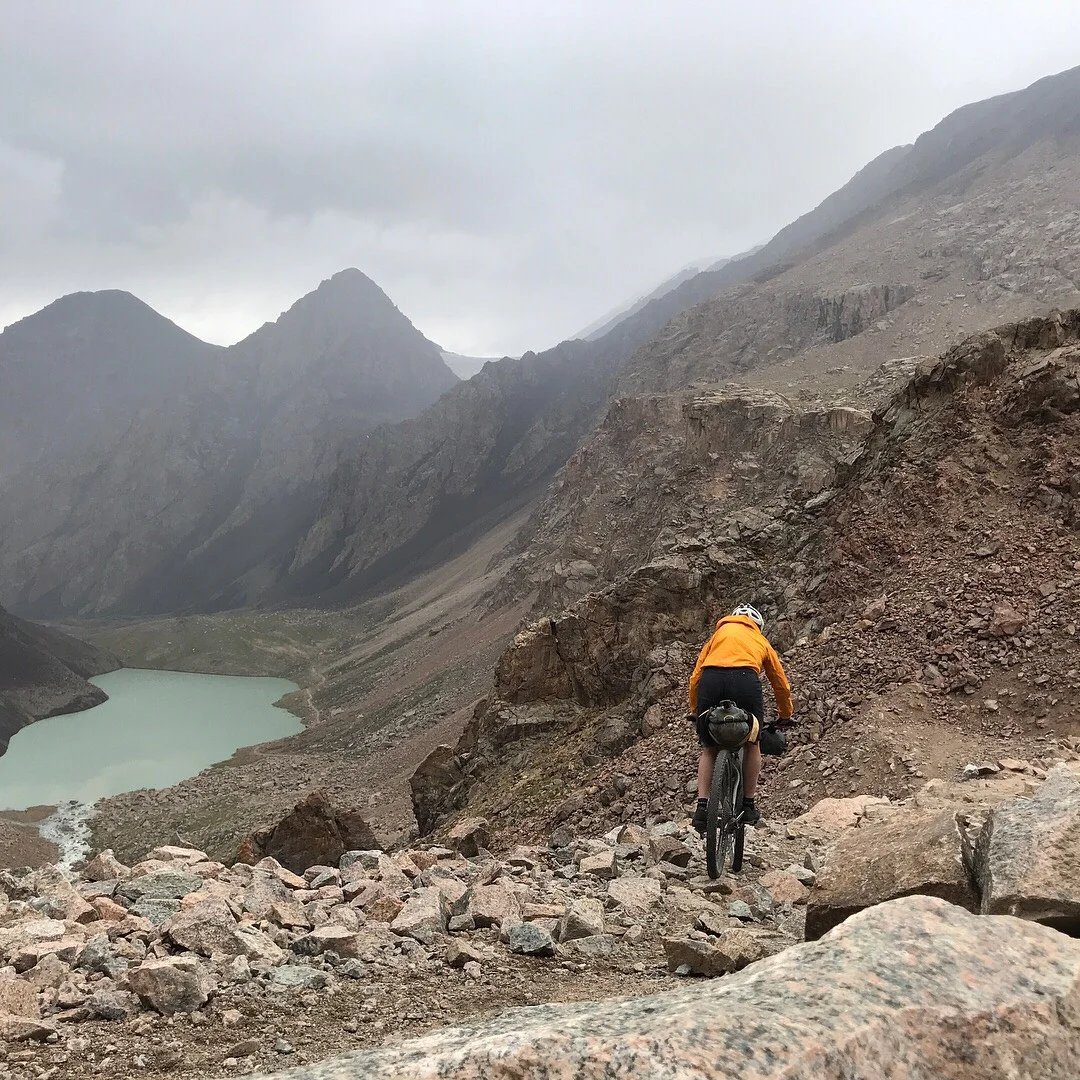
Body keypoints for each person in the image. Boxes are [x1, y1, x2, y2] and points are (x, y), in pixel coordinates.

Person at [688, 603, 793, 832]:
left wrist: (696, 711)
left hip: (711, 679)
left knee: (708, 748)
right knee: (753, 741)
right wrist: (785, 714)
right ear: (758, 625)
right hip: (745, 678)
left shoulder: (717, 636)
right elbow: (779, 682)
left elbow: (695, 676)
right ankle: (748, 804)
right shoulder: (760, 640)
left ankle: (702, 807)